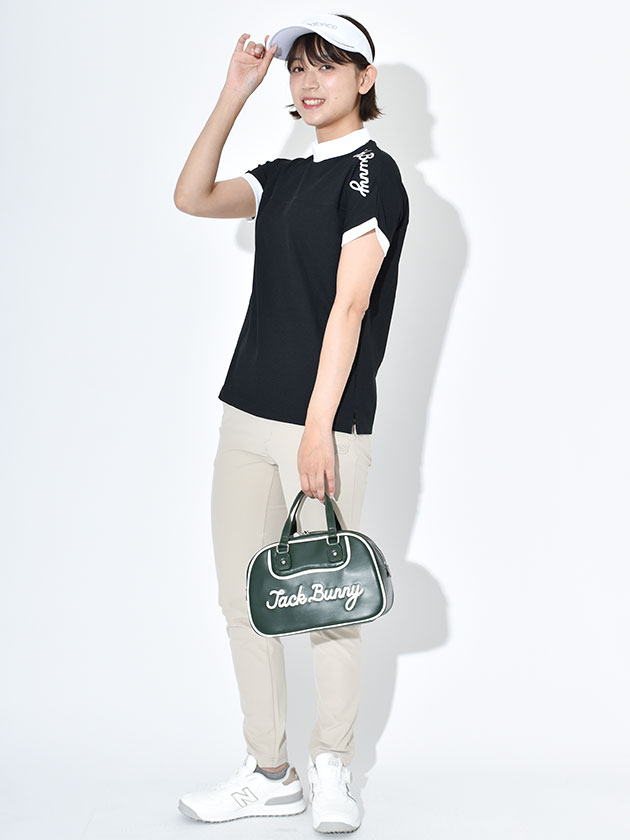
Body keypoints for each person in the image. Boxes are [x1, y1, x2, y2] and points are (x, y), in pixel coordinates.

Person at [173, 12, 409, 834]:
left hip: (324, 425)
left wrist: (317, 429)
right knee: (244, 599)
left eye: (327, 66)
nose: (308, 82)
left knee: (330, 600)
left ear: (364, 78)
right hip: (245, 411)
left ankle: (332, 765)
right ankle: (269, 771)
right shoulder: (280, 176)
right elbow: (192, 196)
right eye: (297, 68)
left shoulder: (373, 174)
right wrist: (234, 92)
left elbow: (350, 306)